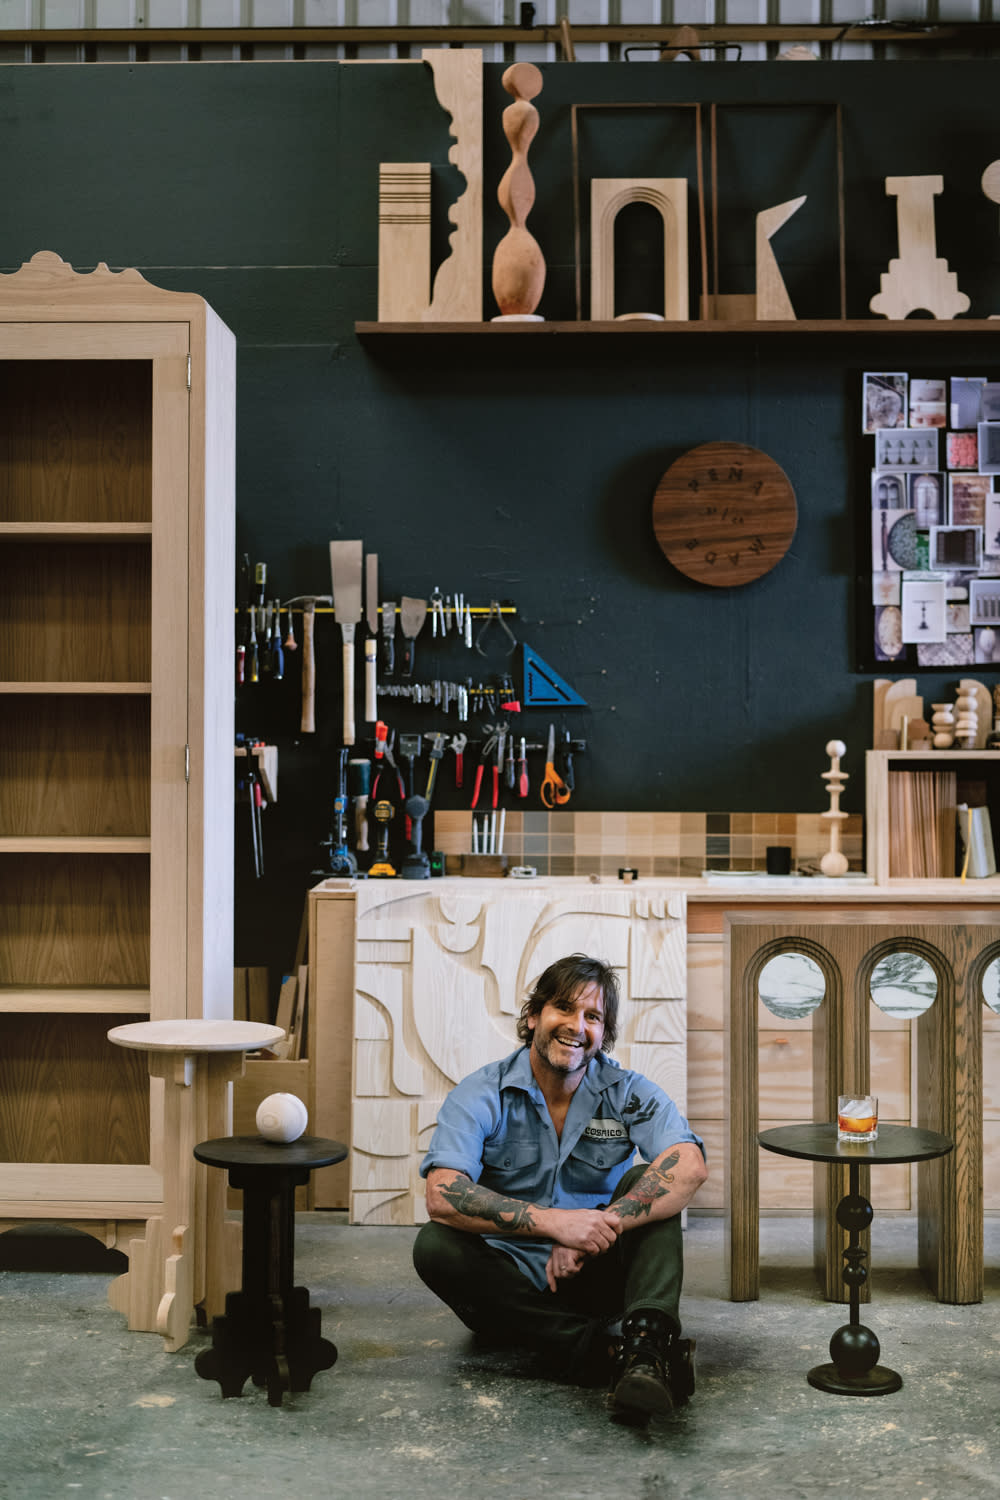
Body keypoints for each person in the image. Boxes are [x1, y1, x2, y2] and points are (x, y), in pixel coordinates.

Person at [412, 953, 708, 1421]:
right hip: (506, 1286)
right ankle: (617, 1360)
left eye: (593, 1016)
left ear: (602, 1035)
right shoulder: (481, 1092)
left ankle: (648, 1347)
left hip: (594, 1278)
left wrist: (593, 1230)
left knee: (645, 1184)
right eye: (564, 1008)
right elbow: (442, 1192)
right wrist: (554, 1225)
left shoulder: (626, 1091)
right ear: (533, 1017)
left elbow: (688, 1164)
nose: (576, 1025)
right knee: (435, 1245)